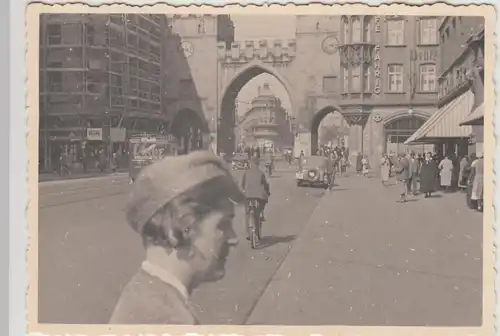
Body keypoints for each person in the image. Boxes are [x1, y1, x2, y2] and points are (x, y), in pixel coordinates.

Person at [109, 151, 245, 324]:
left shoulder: (145, 295)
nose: (233, 239)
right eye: (223, 225)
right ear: (178, 229)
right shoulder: (169, 320)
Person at [241, 156, 271, 225]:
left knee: (247, 213)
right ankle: (261, 213)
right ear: (258, 164)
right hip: (259, 196)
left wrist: (243, 190)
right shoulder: (261, 173)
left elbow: (242, 184)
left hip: (247, 195)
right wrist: (268, 192)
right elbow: (265, 184)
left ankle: (246, 233)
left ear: (251, 163)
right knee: (263, 202)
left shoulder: (246, 172)